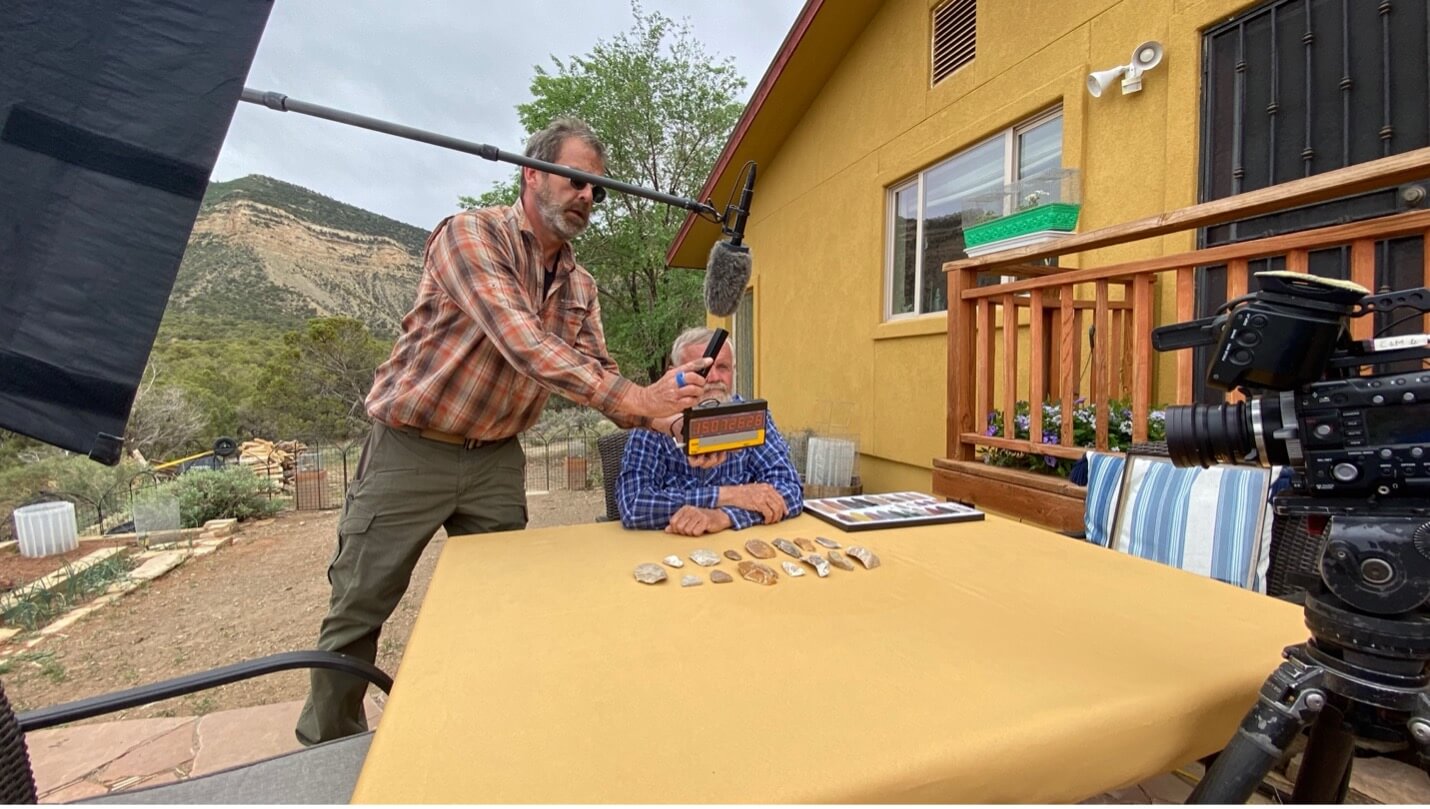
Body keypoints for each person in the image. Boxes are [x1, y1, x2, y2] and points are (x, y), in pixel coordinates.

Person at [296, 118, 712, 745]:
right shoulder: (469, 236)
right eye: (576, 180)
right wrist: (635, 397)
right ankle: (326, 748)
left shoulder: (581, 284)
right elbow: (522, 341)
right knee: (360, 605)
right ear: (532, 171)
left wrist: (663, 416)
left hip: (496, 459)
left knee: (502, 604)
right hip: (411, 447)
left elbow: (598, 372)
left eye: (597, 191)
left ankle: (481, 733)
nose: (587, 198)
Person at [616, 327, 803, 536]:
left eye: (722, 367)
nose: (714, 377)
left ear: (734, 372)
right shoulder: (654, 424)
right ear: (673, 374)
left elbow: (790, 490)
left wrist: (724, 517)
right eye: (701, 370)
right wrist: (728, 496)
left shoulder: (752, 419)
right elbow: (633, 504)